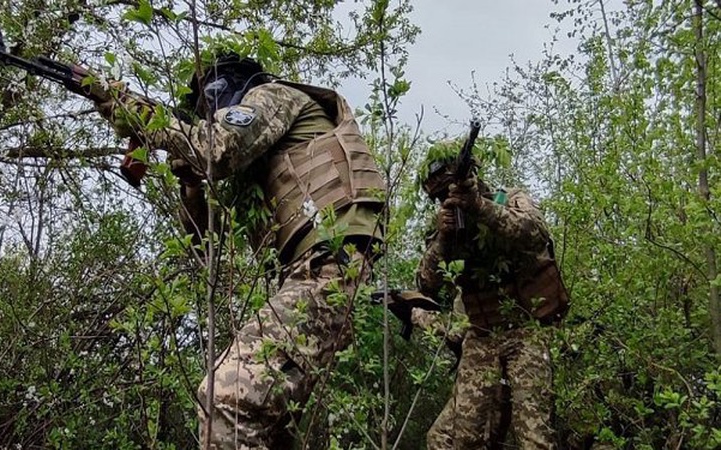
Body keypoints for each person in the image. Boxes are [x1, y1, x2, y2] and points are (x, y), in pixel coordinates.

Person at [94, 53, 386, 448]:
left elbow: (217, 147)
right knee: (269, 428)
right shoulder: (261, 160)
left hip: (329, 267)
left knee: (225, 400)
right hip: (315, 275)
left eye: (207, 102)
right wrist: (191, 179)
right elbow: (202, 235)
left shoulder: (274, 96)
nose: (207, 113)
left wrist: (126, 106)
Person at [414, 142, 569, 450]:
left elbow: (535, 233)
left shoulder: (508, 199)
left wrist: (480, 207)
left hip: (526, 332)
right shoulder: (446, 225)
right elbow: (426, 285)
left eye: (450, 190)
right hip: (480, 338)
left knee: (535, 440)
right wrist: (443, 241)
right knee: (464, 439)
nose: (447, 199)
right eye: (439, 196)